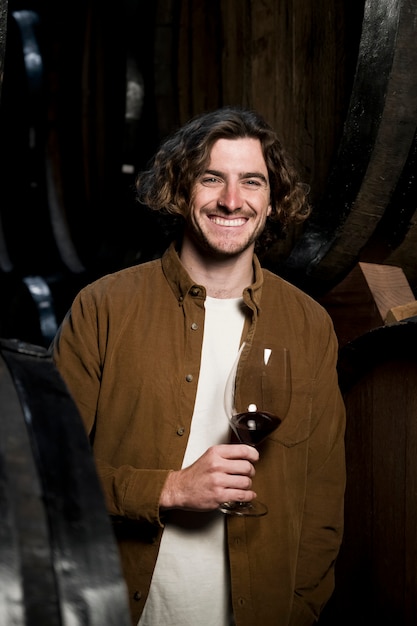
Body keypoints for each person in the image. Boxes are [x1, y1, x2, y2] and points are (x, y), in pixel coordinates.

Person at [51, 106, 346, 626]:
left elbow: (322, 501)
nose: (232, 201)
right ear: (181, 190)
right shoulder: (103, 307)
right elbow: (45, 473)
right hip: (121, 609)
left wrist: (299, 610)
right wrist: (169, 490)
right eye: (212, 179)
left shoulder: (309, 325)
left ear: (271, 201)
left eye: (251, 182)